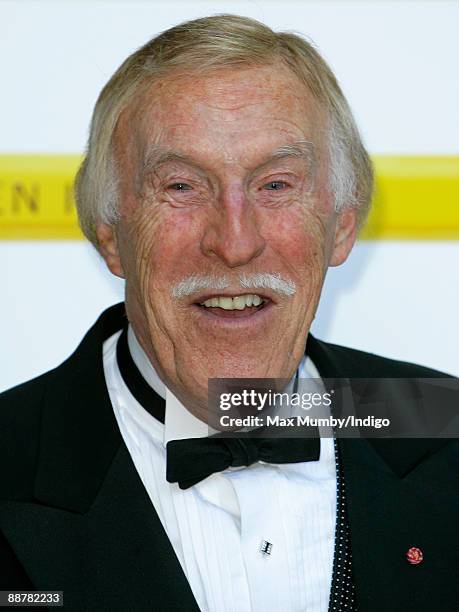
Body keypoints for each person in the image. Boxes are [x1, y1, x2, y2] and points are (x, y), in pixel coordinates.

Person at [0, 14, 457, 612]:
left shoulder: (442, 423)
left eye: (276, 185)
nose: (235, 242)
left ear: (342, 224)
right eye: (182, 187)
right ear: (110, 233)